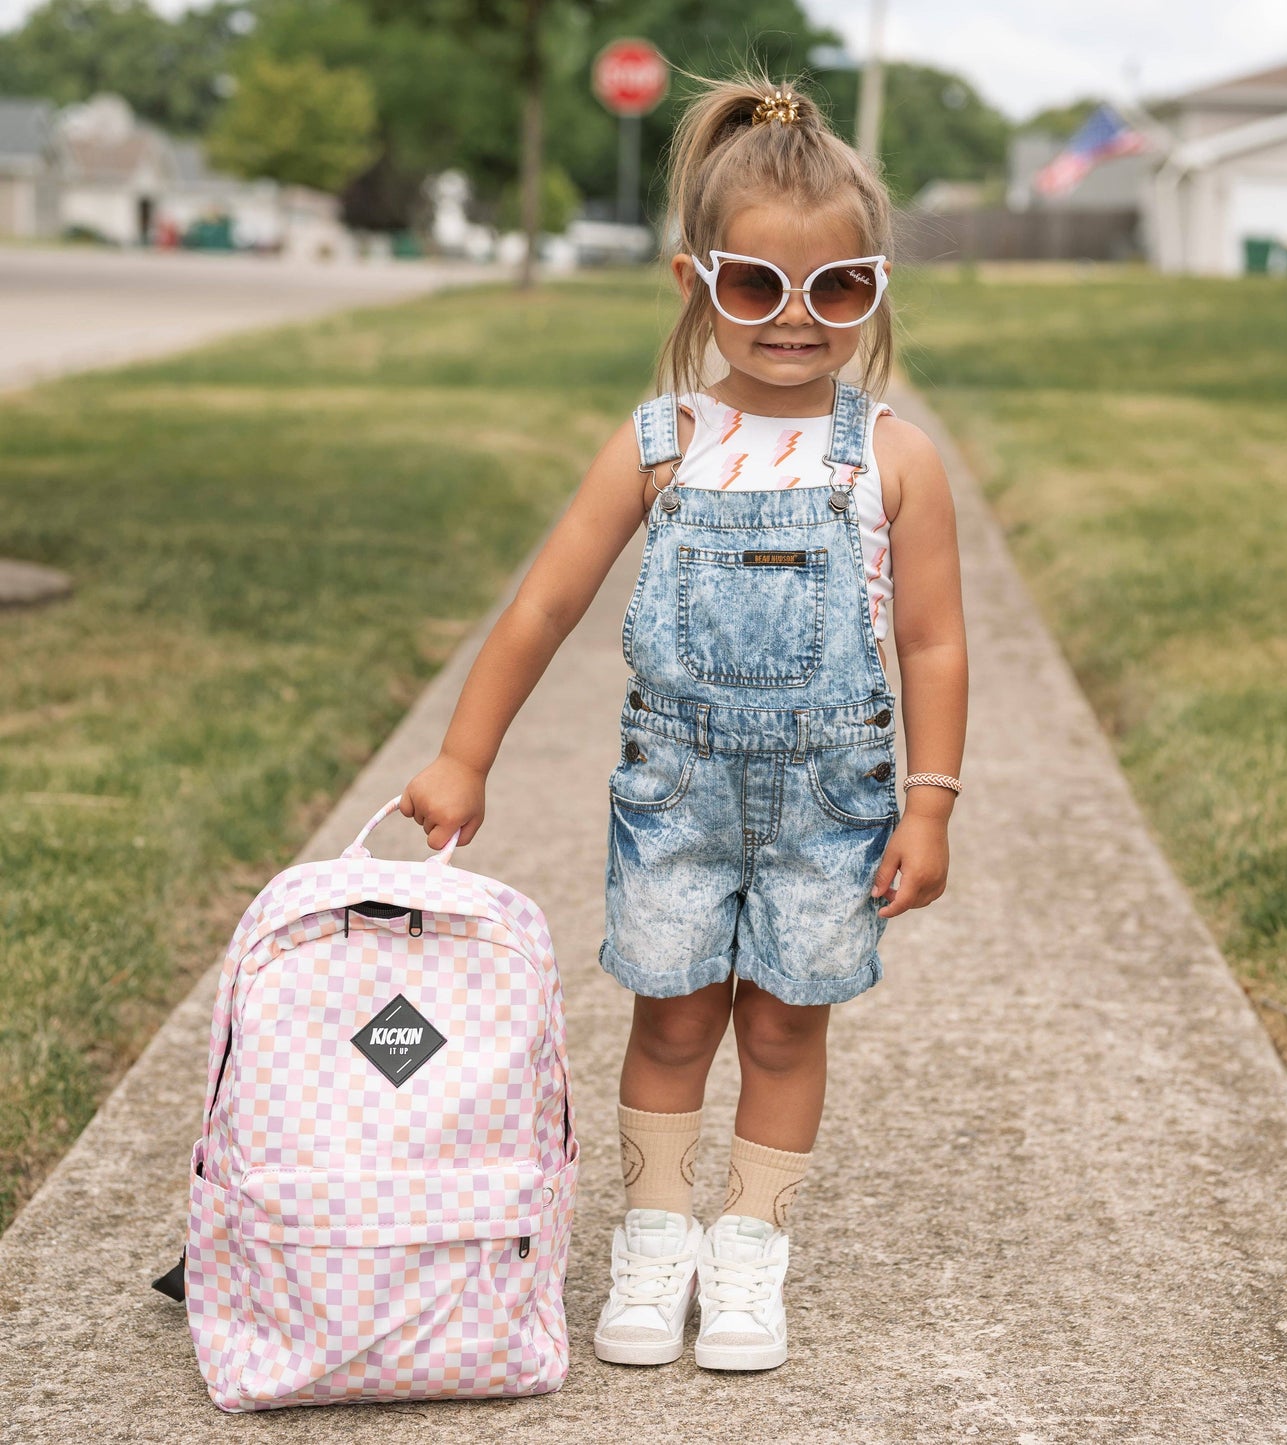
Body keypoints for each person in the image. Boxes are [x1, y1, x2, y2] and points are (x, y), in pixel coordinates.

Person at [399, 66, 968, 1373]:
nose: (793, 318)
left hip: (833, 805)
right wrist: (461, 753)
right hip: (676, 793)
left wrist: (929, 802)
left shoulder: (892, 456)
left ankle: (749, 1245)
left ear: (872, 291)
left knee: (781, 1024)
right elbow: (543, 607)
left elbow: (933, 641)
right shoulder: (660, 440)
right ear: (695, 284)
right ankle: (654, 1236)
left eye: (837, 288)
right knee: (668, 1020)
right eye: (755, 286)